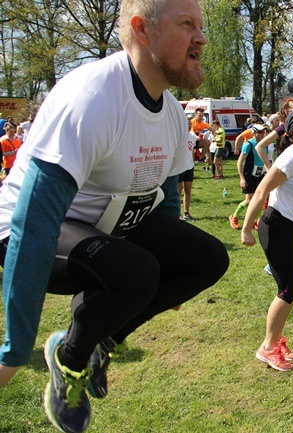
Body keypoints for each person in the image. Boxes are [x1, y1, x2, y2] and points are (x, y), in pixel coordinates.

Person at [0, 2, 230, 433]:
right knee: (138, 272)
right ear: (142, 30)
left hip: (103, 222)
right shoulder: (93, 98)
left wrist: (177, 259)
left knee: (209, 258)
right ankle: (69, 362)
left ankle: (97, 341)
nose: (201, 38)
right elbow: (33, 224)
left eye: (202, 26)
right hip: (24, 228)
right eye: (187, 25)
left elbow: (162, 200)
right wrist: (14, 351)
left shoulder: (174, 115)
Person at [241, 109, 293, 371]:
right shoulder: (290, 158)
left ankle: (275, 340)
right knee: (287, 288)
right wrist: (246, 229)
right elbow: (262, 190)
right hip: (275, 226)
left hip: (289, 227)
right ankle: (267, 348)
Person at [229, 124, 269, 230]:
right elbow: (240, 161)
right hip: (249, 175)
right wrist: (242, 178)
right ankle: (234, 217)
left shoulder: (265, 144)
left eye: (263, 132)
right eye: (260, 132)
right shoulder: (249, 144)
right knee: (249, 201)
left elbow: (265, 160)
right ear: (254, 133)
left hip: (260, 175)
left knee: (261, 201)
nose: (263, 134)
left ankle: (254, 222)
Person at [255, 97, 293, 169]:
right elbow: (259, 147)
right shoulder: (283, 128)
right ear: (286, 112)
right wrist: (268, 168)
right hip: (285, 169)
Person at [178, 118, 198, 220]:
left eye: (190, 124)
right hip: (178, 167)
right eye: (187, 124)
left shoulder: (192, 137)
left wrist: (193, 163)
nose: (189, 126)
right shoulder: (177, 135)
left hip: (189, 167)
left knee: (187, 191)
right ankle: (178, 213)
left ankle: (186, 212)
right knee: (178, 191)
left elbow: (192, 151)